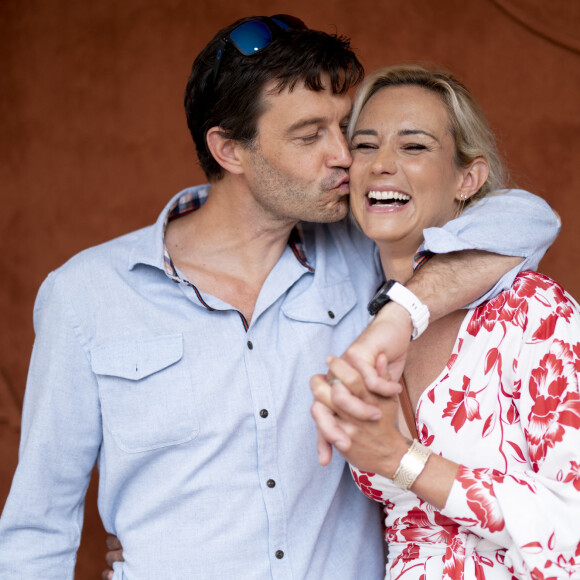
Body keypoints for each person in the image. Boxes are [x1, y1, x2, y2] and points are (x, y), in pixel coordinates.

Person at [0, 15, 559, 579]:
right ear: (229, 150)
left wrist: (399, 314)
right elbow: (38, 528)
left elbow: (526, 219)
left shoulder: (363, 246)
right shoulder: (86, 295)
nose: (346, 156)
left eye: (346, 128)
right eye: (310, 134)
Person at [311, 65, 580, 579]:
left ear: (468, 179)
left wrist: (400, 459)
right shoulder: (354, 321)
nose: (383, 165)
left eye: (414, 147)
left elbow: (573, 525)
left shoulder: (532, 315)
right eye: (365, 146)